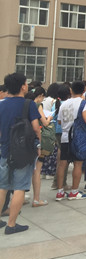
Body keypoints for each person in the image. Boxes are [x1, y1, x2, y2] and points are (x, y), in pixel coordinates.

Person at [0, 73, 41, 234]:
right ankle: (11, 225)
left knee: (2, 186)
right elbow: (36, 128)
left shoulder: (1, 104)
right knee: (19, 187)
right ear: (23, 86)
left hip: (5, 150)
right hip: (23, 152)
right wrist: (38, 144)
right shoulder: (28, 104)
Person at [56, 81, 86, 201]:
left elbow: (59, 121)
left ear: (71, 90)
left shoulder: (64, 103)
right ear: (83, 91)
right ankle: (74, 191)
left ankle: (60, 192)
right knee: (78, 164)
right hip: (77, 138)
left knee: (62, 164)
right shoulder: (83, 103)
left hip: (64, 137)